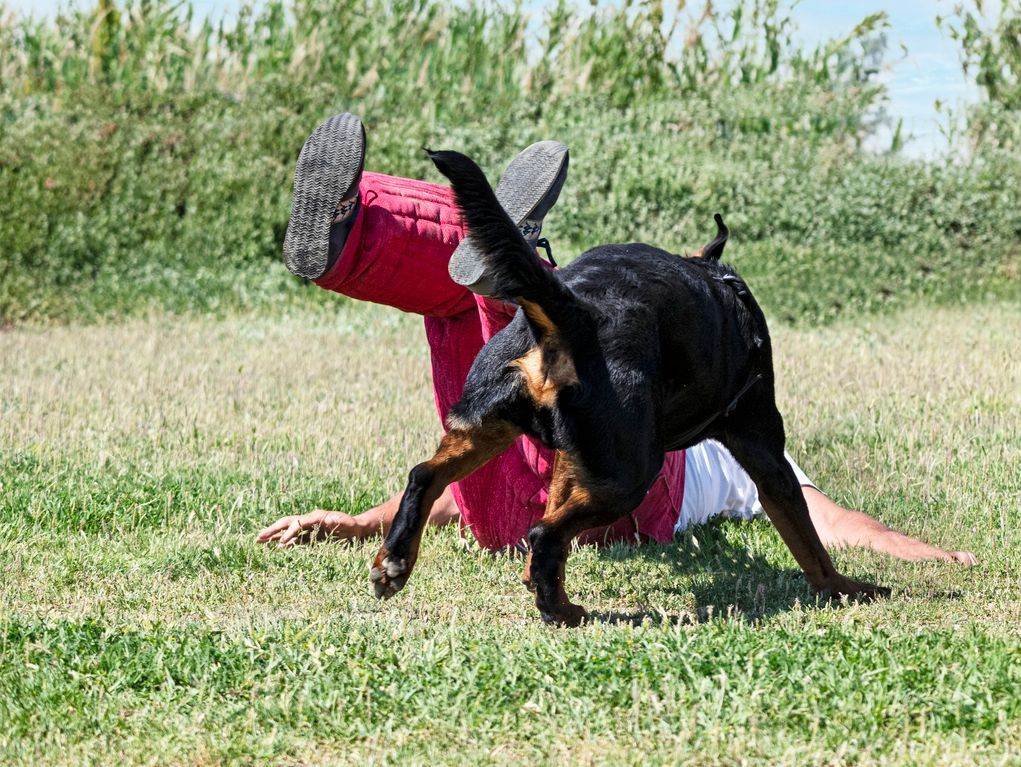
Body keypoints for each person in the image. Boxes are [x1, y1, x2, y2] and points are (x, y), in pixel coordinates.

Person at [257, 113, 976, 566]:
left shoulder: (741, 437)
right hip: (518, 513)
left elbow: (837, 519)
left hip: (581, 495)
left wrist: (925, 553)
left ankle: (375, 235)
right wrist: (357, 522)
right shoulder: (707, 378)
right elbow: (460, 489)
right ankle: (349, 236)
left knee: (529, 310)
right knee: (474, 302)